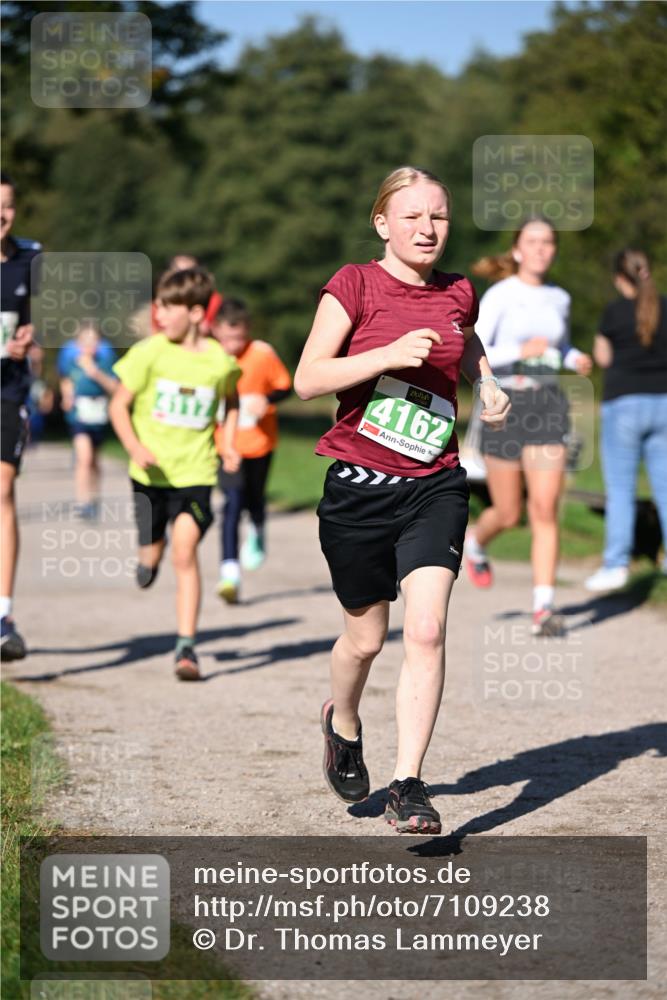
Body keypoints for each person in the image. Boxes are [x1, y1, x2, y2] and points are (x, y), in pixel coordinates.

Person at [294, 166, 510, 833]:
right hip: (358, 488)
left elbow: (462, 336)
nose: (427, 229)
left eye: (438, 217)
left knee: (425, 629)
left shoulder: (458, 290)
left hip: (434, 485)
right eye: (412, 216)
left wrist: (488, 381)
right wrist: (385, 353)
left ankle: (406, 785)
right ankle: (343, 720)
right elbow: (307, 379)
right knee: (364, 638)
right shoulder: (353, 285)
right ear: (383, 223)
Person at [110, 267, 241, 680]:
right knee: (153, 551)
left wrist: (229, 443)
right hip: (149, 477)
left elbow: (232, 401)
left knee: (185, 550)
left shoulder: (220, 362)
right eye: (158, 305)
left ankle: (186, 647)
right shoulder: (150, 352)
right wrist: (134, 446)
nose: (159, 313)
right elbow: (118, 405)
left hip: (195, 473)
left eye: (168, 307)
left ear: (197, 312)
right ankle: (149, 553)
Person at [464, 218, 592, 637]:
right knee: (508, 512)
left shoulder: (560, 297)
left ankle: (544, 607)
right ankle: (476, 543)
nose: (542, 248)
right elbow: (475, 350)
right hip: (507, 403)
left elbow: (561, 345)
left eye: (548, 242)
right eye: (533, 241)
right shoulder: (502, 295)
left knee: (544, 507)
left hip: (548, 404)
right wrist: (521, 350)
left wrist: (574, 360)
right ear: (517, 249)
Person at [585, 249, 667, 591]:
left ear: (620, 279)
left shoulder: (613, 311)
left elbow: (602, 357)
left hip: (623, 406)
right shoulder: (665, 306)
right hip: (663, 402)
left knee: (620, 490)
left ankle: (617, 564)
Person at [210, 298, 291, 603]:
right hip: (226, 445)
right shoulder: (208, 356)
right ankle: (229, 573)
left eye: (239, 337)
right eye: (228, 337)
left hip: (260, 443)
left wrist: (267, 401)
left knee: (254, 499)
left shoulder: (262, 354)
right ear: (216, 330)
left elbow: (286, 387)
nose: (233, 344)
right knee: (231, 503)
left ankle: (258, 527)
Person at [1, 171, 41, 661]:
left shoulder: (32, 261)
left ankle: (4, 614)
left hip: (8, 394)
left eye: (7, 205)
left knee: (4, 489)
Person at [58, 322, 118, 518]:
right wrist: (66, 396)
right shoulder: (71, 360)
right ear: (78, 342)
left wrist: (95, 372)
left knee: (94, 460)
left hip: (98, 414)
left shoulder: (105, 360)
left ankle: (94, 496)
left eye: (93, 340)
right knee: (84, 458)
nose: (89, 344)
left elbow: (114, 388)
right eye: (84, 340)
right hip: (79, 414)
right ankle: (83, 501)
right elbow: (66, 379)